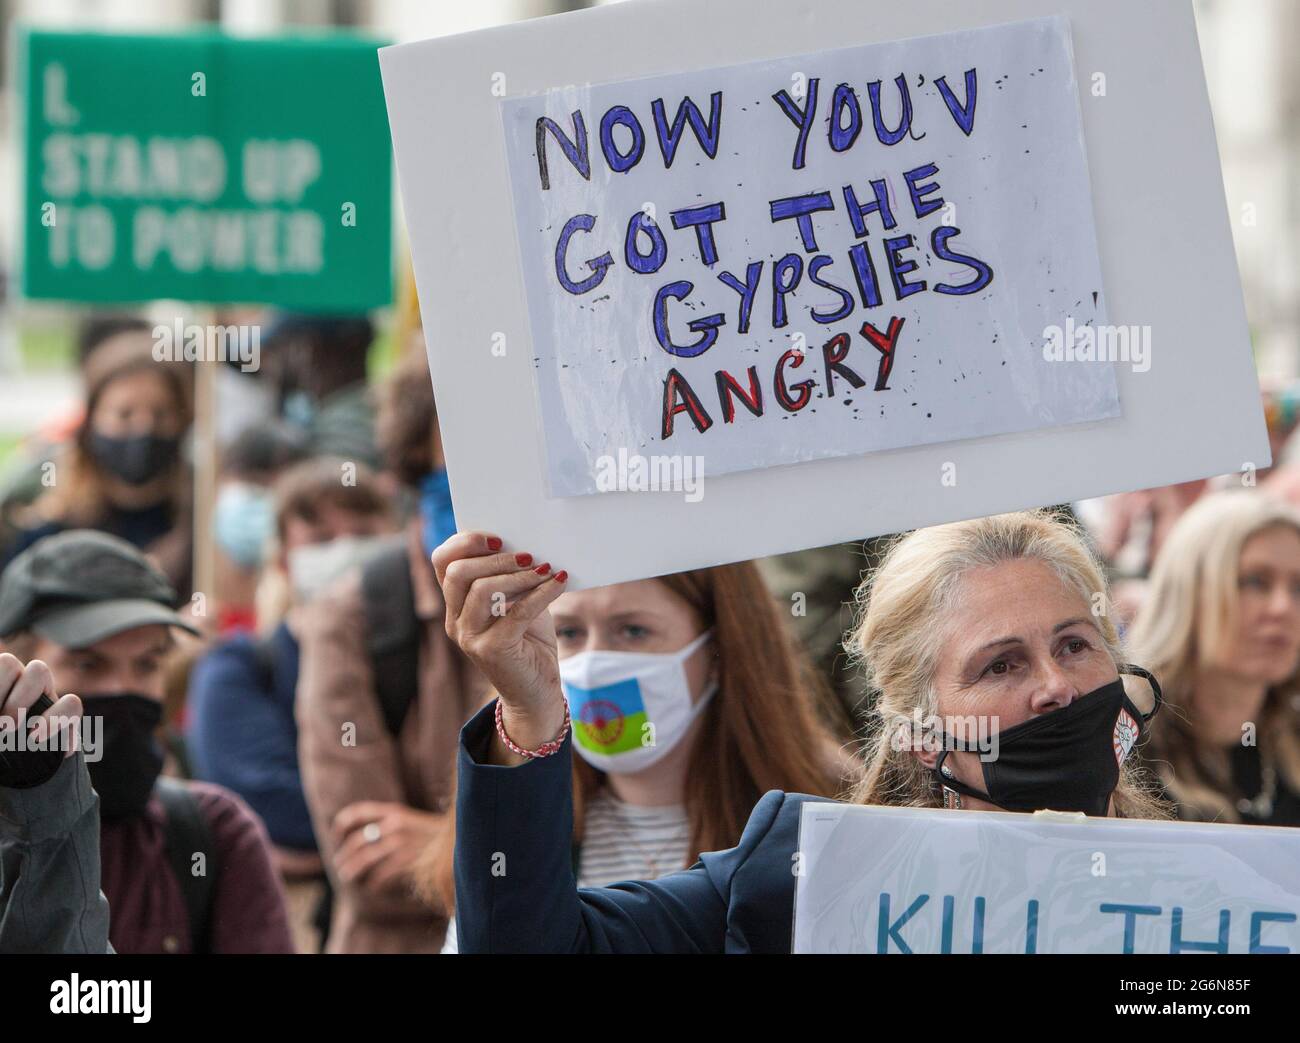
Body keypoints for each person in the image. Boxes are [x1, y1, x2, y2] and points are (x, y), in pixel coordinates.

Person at [434, 510, 1168, 953]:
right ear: (918, 727)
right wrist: (530, 715)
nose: (1057, 686)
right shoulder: (797, 876)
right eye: (1001, 664)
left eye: (1075, 644)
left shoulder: (1204, 892)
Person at [430, 560, 852, 951]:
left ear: (719, 649)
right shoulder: (521, 837)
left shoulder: (827, 816)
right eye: (570, 633)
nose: (595, 664)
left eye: (633, 631)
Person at [0, 530, 294, 954]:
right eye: (88, 663)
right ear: (15, 670)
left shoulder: (210, 831)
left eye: (146, 665)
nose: (121, 688)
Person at [295, 349, 489, 953]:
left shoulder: (593, 612)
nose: (485, 475)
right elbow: (369, 865)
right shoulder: (354, 618)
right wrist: (524, 851)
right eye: (461, 452)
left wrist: (438, 842)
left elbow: (639, 833)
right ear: (414, 465)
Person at [188, 456, 395, 952]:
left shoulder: (436, 660)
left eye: (364, 533)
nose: (346, 552)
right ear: (284, 561)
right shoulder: (237, 670)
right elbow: (273, 815)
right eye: (322, 541)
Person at [1128, 490, 1300, 825]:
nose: (1282, 607)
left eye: (1298, 588)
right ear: (1190, 593)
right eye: (1255, 582)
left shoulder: (1292, 739)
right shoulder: (1122, 742)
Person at [2, 328, 194, 596]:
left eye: (161, 414)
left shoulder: (202, 524)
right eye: (124, 415)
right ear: (91, 423)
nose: (144, 429)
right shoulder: (49, 532)